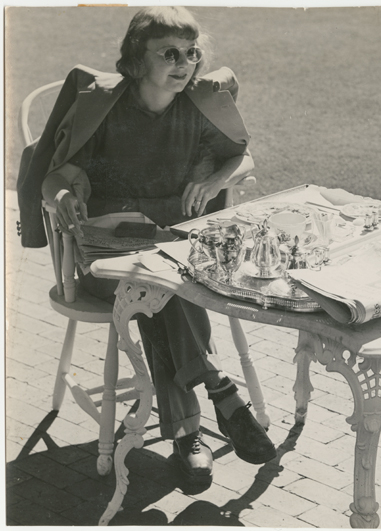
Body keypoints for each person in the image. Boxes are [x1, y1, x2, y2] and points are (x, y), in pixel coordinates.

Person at [18, 7, 277, 486]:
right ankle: (214, 395)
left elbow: (241, 156)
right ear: (137, 60)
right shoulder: (105, 109)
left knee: (164, 287)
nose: (184, 63)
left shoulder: (197, 106)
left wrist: (215, 177)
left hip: (171, 251)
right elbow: (57, 171)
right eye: (170, 54)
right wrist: (58, 196)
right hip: (106, 253)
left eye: (192, 53)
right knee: (164, 285)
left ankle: (189, 429)